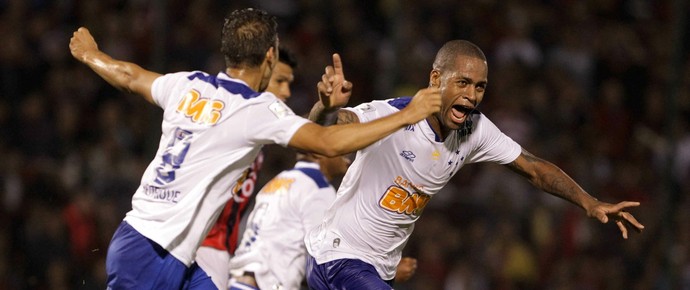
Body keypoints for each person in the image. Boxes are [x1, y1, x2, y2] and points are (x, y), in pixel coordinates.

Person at [68, 7, 441, 289]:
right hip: (150, 253)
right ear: (268, 57)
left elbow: (130, 76)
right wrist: (409, 113)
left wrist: (90, 54)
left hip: (165, 252)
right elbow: (327, 143)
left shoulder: (186, 85)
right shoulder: (256, 109)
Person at [303, 39, 646, 289]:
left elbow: (534, 168)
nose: (472, 94)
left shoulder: (474, 129)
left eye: (480, 86)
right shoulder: (391, 114)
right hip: (338, 256)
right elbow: (330, 131)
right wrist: (326, 107)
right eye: (463, 82)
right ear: (435, 79)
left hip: (377, 270)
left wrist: (588, 201)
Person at [227, 151, 418, 290]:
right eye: (338, 141)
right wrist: (376, 273)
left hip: (239, 281)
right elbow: (323, 256)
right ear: (318, 151)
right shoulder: (317, 189)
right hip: (267, 284)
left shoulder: (278, 180)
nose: (349, 149)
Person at [195, 46, 299, 290]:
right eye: (280, 81)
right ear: (260, 74)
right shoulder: (228, 120)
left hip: (217, 248)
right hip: (203, 246)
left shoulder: (258, 130)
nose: (286, 92)